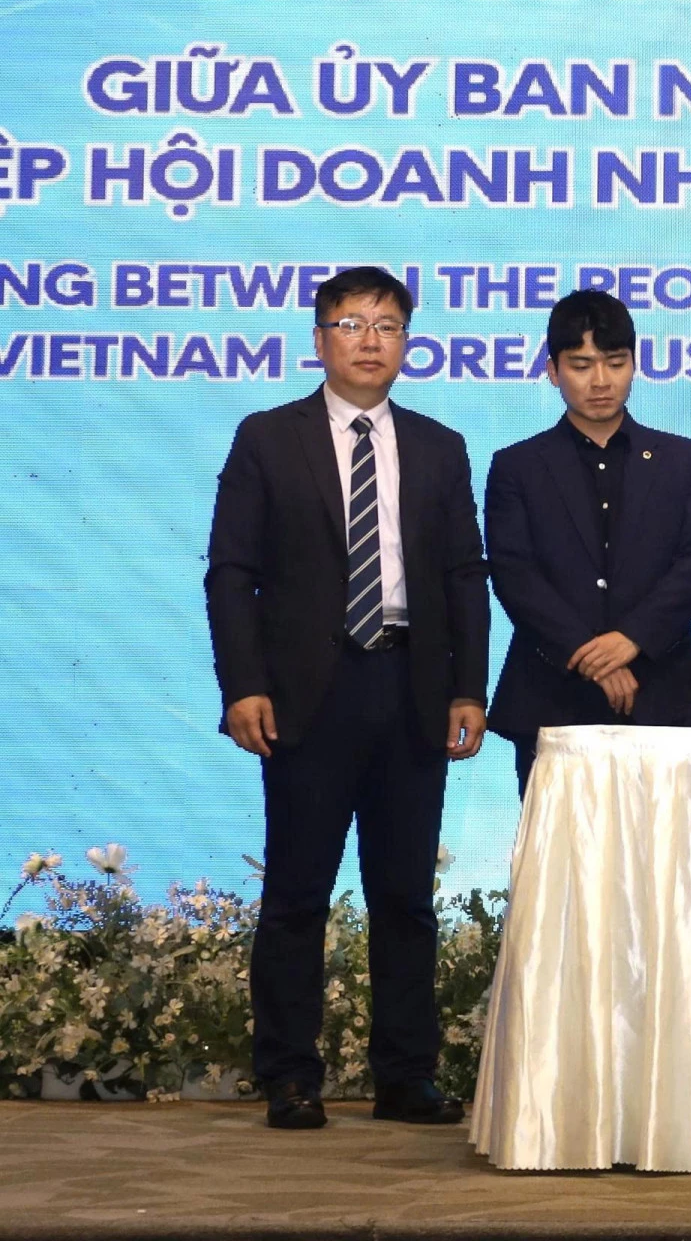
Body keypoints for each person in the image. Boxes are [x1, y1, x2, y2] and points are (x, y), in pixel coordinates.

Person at [205, 266, 487, 1130]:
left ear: (408, 342)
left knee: (405, 897)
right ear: (319, 339)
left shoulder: (440, 446)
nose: (371, 341)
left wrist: (468, 688)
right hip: (306, 695)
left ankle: (406, 1076)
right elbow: (231, 574)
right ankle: (291, 1076)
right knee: (298, 893)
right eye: (353, 323)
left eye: (388, 326)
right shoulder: (267, 437)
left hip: (410, 687)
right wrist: (244, 685)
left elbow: (464, 578)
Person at [485, 291, 691, 795]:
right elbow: (514, 573)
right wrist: (588, 653)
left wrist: (632, 640)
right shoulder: (517, 466)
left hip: (661, 691)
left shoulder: (685, 461)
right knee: (559, 844)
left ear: (635, 364)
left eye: (615, 363)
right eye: (581, 365)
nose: (600, 381)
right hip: (553, 695)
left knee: (664, 842)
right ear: (552, 371)